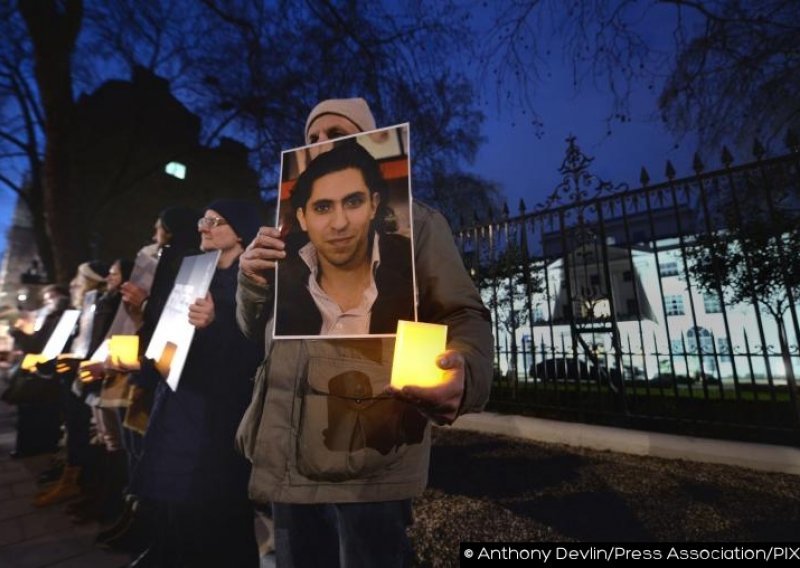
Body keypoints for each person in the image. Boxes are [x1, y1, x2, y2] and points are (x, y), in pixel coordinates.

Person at [236, 98, 493, 566]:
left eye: (334, 132)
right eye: (310, 138)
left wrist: (467, 373)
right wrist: (251, 281)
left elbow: (463, 314)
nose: (319, 145)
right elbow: (256, 331)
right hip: (287, 453)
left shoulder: (420, 224)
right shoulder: (283, 238)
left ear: (374, 200)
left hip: (370, 454)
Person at [129, 199, 264, 568]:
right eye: (204, 220)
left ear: (240, 232)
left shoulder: (257, 278)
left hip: (219, 417)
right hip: (177, 404)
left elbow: (259, 349)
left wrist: (217, 322)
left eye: (215, 221)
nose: (203, 226)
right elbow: (167, 337)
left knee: (220, 514)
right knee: (176, 505)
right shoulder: (192, 270)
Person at [276, 139, 414, 336]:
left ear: (373, 205)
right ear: (302, 218)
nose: (340, 223)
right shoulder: (280, 283)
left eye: (353, 202)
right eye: (323, 208)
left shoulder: (415, 265)